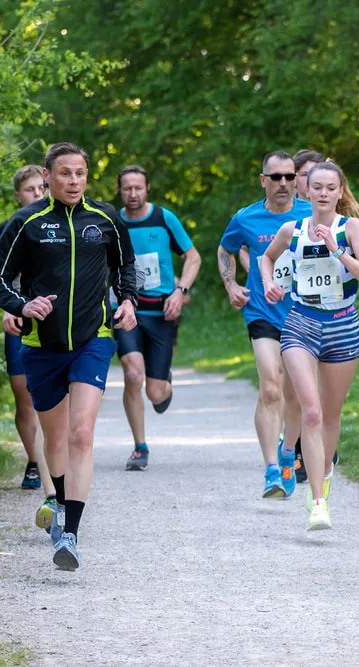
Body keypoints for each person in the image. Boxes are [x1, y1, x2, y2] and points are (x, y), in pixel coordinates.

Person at [0, 142, 138, 572]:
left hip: (94, 337)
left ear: (88, 177)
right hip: (41, 346)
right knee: (54, 440)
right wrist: (21, 305)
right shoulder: (24, 224)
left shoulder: (105, 220)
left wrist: (127, 302)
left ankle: (70, 531)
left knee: (82, 432)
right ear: (48, 178)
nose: (74, 181)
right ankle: (56, 499)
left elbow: (126, 269)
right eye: (65, 174)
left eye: (80, 173)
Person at [261, 160, 359, 530]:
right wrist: (268, 283)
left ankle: (322, 479)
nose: (324, 193)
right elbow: (267, 258)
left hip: (342, 326)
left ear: (340, 192)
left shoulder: (351, 227)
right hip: (301, 323)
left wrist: (338, 250)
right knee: (310, 411)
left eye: (331, 187)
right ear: (305, 190)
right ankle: (318, 502)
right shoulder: (291, 230)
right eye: (318, 187)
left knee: (329, 414)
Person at [217, 151, 311, 499]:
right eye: (276, 177)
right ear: (263, 180)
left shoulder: (311, 215)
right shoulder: (246, 218)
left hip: (305, 314)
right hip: (262, 313)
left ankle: (289, 451)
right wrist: (231, 285)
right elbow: (225, 250)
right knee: (271, 386)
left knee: (297, 393)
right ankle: (272, 468)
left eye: (289, 176)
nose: (284, 183)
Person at [0, 165, 60, 532]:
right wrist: (7, 310)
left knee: (47, 400)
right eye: (29, 189)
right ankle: (35, 458)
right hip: (19, 320)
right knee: (24, 399)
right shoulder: (11, 227)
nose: (36, 193)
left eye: (40, 187)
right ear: (18, 195)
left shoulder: (62, 225)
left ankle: (52, 478)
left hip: (57, 327)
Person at [114, 165, 201, 471]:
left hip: (161, 313)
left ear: (147, 188)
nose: (133, 194)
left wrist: (180, 291)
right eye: (127, 188)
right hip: (128, 313)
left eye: (138, 188)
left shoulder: (164, 219)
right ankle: (140, 447)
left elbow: (193, 256)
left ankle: (165, 383)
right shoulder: (113, 223)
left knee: (155, 392)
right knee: (132, 373)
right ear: (119, 190)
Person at [291, 148, 327, 483]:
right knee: (289, 389)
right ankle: (296, 450)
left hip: (331, 319)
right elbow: (261, 253)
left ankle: (314, 447)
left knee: (318, 396)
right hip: (290, 315)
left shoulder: (335, 216)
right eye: (308, 176)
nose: (317, 186)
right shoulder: (291, 220)